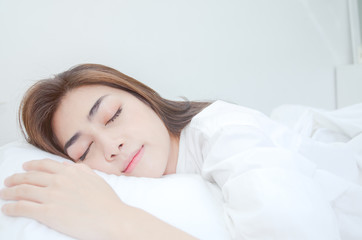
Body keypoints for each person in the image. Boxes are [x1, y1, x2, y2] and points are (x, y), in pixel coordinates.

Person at [1, 64, 361, 240]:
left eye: (113, 116)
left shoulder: (222, 130)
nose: (112, 147)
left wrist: (114, 218)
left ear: (144, 97)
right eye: (85, 150)